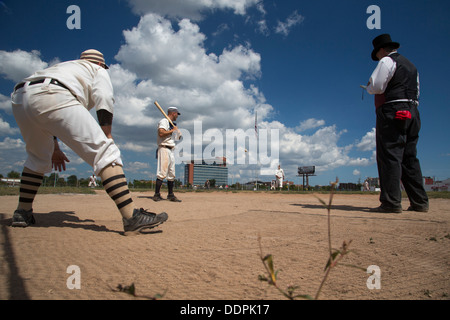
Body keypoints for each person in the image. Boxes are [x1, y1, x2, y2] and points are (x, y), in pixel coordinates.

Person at [10, 49, 168, 234]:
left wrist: (55, 146)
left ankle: (22, 212)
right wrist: (107, 135)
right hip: (54, 92)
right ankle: (131, 217)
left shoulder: (65, 67)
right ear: (101, 64)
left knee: (37, 157)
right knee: (107, 152)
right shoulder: (97, 69)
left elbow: (46, 113)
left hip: (20, 97)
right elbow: (105, 98)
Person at [365, 34, 429, 213]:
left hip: (393, 110)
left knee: (389, 155)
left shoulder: (386, 61)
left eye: (377, 54)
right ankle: (419, 202)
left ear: (382, 50)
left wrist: (369, 86)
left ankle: (391, 202)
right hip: (413, 111)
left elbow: (376, 86)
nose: (377, 57)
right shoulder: (411, 66)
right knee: (409, 157)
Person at [153, 106, 182, 202]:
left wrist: (177, 133)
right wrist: (172, 131)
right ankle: (156, 194)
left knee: (171, 173)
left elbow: (175, 138)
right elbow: (161, 133)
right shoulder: (164, 121)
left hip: (171, 149)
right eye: (177, 114)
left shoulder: (172, 124)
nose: (177, 116)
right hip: (164, 148)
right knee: (162, 172)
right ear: (173, 113)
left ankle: (170, 195)